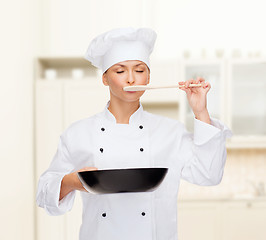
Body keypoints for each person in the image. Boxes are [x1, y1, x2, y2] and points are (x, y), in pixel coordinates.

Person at [36, 27, 232, 240]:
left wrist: (200, 111)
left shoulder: (170, 132)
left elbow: (209, 175)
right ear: (105, 78)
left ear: (148, 76)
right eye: (120, 71)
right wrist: (72, 182)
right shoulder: (78, 133)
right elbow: (44, 193)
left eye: (139, 70)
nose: (131, 79)